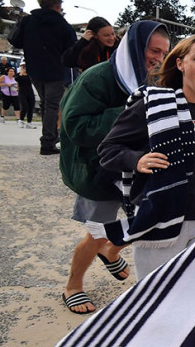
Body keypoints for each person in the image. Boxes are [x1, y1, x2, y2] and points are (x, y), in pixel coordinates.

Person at [97, 35, 195, 279]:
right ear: (180, 64)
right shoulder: (153, 107)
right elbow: (108, 149)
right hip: (160, 222)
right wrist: (137, 160)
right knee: (155, 295)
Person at [57, 21, 171, 313]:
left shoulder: (155, 80)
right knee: (98, 231)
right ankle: (73, 286)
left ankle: (112, 250)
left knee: (149, 218)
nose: (159, 58)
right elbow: (76, 126)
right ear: (134, 46)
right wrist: (130, 112)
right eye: (154, 50)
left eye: (164, 53)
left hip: (136, 167)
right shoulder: (97, 78)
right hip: (97, 168)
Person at [8, 0, 77, 155]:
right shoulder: (62, 24)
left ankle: (50, 136)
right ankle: (48, 141)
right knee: (52, 106)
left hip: (34, 69)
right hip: (55, 70)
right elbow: (72, 48)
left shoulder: (28, 20)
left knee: (47, 104)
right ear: (58, 6)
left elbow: (15, 40)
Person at [15, 64, 36, 129]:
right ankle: (21, 120)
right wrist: (21, 73)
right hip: (22, 92)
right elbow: (17, 79)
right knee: (24, 107)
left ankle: (29, 122)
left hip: (30, 92)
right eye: (24, 68)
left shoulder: (30, 75)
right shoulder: (18, 75)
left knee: (31, 107)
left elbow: (32, 80)